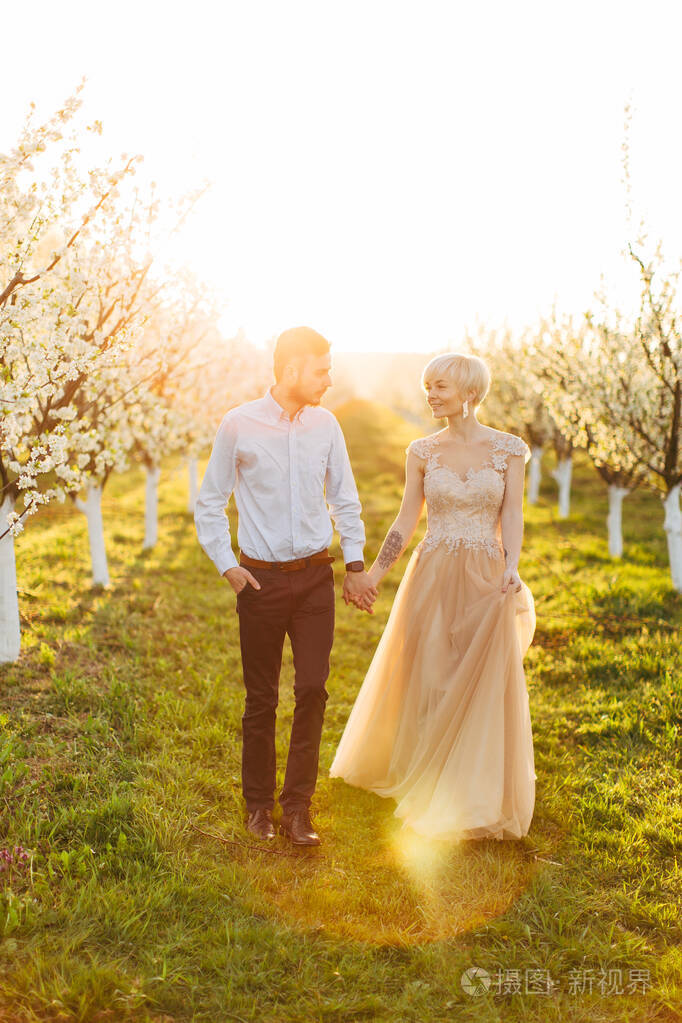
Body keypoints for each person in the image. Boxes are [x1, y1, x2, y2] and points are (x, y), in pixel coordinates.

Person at [329, 352, 537, 840]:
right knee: (431, 668)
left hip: (487, 572)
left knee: (478, 672)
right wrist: (375, 574)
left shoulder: (509, 450)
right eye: (428, 386)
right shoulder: (421, 451)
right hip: (434, 570)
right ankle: (425, 767)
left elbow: (512, 514)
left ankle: (469, 781)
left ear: (470, 392)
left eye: (440, 386)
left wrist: (511, 566)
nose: (431, 394)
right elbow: (407, 519)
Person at [194, 326, 377, 847]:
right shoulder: (239, 424)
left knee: (313, 689)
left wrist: (355, 563)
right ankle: (258, 806)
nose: (329, 380)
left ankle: (297, 808)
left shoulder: (326, 425)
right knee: (261, 699)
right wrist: (227, 565)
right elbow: (210, 502)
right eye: (322, 370)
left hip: (316, 579)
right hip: (260, 583)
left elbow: (345, 499)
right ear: (291, 369)